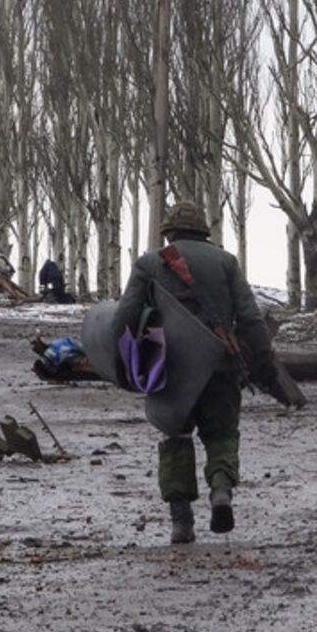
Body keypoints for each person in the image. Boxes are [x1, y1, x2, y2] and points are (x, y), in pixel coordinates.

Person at [112, 200, 280, 544]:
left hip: (171, 369)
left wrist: (122, 365)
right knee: (221, 434)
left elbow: (124, 319)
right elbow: (249, 318)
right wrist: (263, 362)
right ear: (203, 231)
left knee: (175, 436)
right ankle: (220, 491)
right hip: (220, 363)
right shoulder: (226, 262)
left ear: (169, 232)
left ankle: (181, 521)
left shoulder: (149, 263)